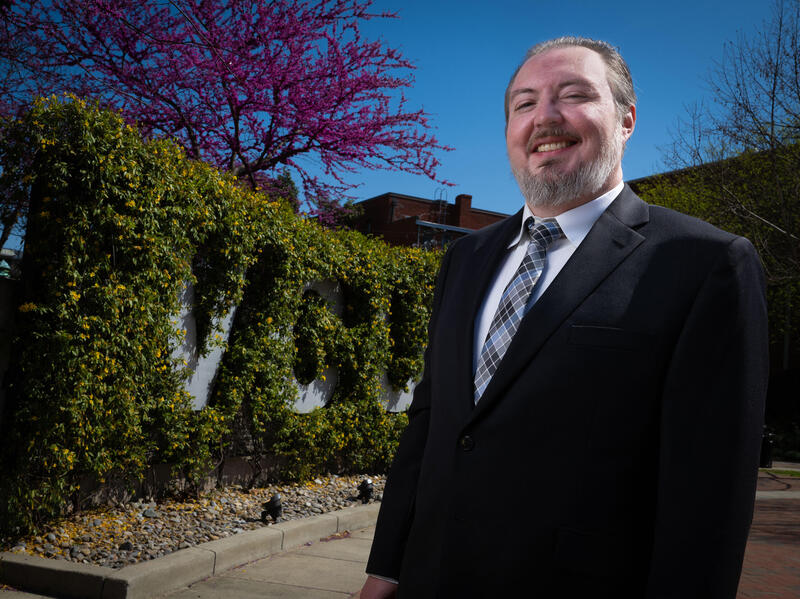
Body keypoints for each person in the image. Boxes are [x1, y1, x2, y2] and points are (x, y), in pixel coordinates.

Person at [359, 36, 769, 599]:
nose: (545, 117)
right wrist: (386, 569)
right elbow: (430, 424)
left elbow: (710, 491)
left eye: (572, 95)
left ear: (626, 120)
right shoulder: (464, 259)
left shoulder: (704, 263)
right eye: (524, 104)